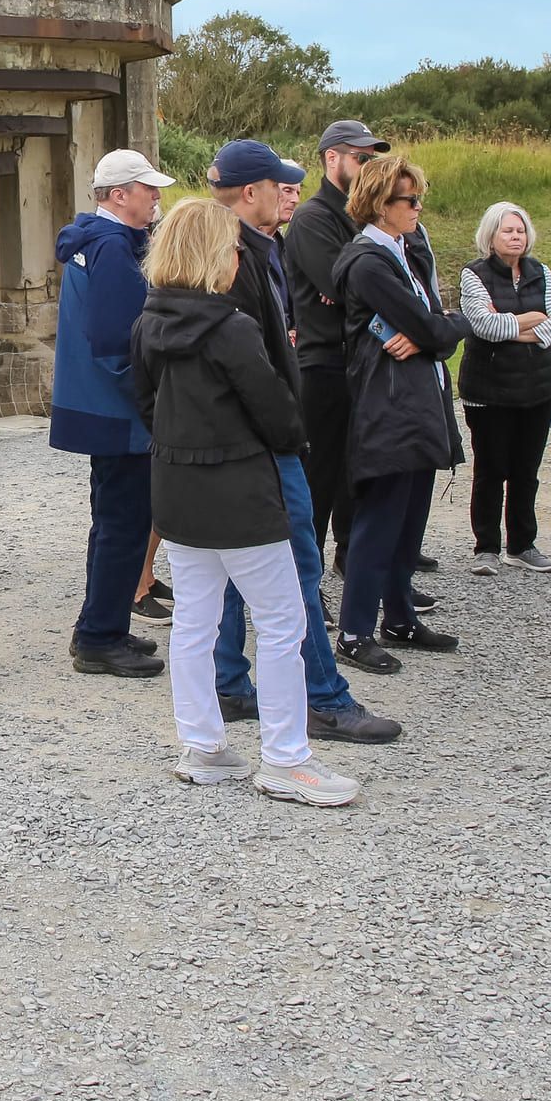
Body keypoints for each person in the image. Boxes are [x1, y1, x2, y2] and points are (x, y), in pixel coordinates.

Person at [130, 198, 361, 806]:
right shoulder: (232, 328)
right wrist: (280, 439)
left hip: (178, 488)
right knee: (284, 620)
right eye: (234, 249)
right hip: (240, 490)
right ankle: (286, 758)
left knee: (195, 620)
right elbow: (278, 412)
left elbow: (143, 399)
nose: (240, 258)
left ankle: (203, 744)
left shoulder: (148, 320)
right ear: (216, 255)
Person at [205, 140, 401, 744]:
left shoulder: (244, 250)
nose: (288, 192)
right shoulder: (234, 259)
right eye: (278, 184)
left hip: (244, 439)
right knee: (297, 563)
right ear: (249, 193)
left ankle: (230, 682)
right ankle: (323, 696)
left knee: (238, 566)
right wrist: (286, 429)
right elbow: (247, 362)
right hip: (260, 439)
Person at [330, 153, 468, 677]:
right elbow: (432, 328)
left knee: (410, 518)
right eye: (409, 200)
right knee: (380, 518)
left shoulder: (404, 253)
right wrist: (445, 329)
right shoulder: (368, 262)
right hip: (388, 405)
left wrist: (440, 329)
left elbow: (434, 328)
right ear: (379, 204)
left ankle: (400, 616)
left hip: (417, 399)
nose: (417, 208)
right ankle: (354, 631)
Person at [50, 148, 176, 680]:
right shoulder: (112, 249)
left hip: (104, 407)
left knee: (115, 523)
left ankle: (101, 628)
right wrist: (153, 401)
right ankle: (100, 637)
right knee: (123, 523)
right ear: (118, 195)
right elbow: (117, 343)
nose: (156, 197)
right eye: (148, 189)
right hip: (121, 411)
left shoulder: (98, 241)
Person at [282, 120, 388, 580]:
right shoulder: (313, 218)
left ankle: (356, 565)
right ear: (332, 158)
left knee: (359, 471)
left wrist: (363, 282)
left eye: (372, 159)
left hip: (359, 358)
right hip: (323, 362)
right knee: (319, 479)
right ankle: (309, 579)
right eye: (361, 158)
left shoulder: (361, 217)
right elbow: (344, 286)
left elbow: (379, 282)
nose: (368, 166)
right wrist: (361, 283)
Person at [457, 202, 551, 573]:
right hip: (488, 391)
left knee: (526, 470)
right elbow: (483, 327)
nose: (515, 236)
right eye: (507, 230)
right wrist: (530, 322)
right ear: (491, 236)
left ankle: (522, 544)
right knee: (490, 470)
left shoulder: (541, 272)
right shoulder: (473, 275)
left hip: (536, 389)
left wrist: (514, 328)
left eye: (520, 230)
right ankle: (485, 546)